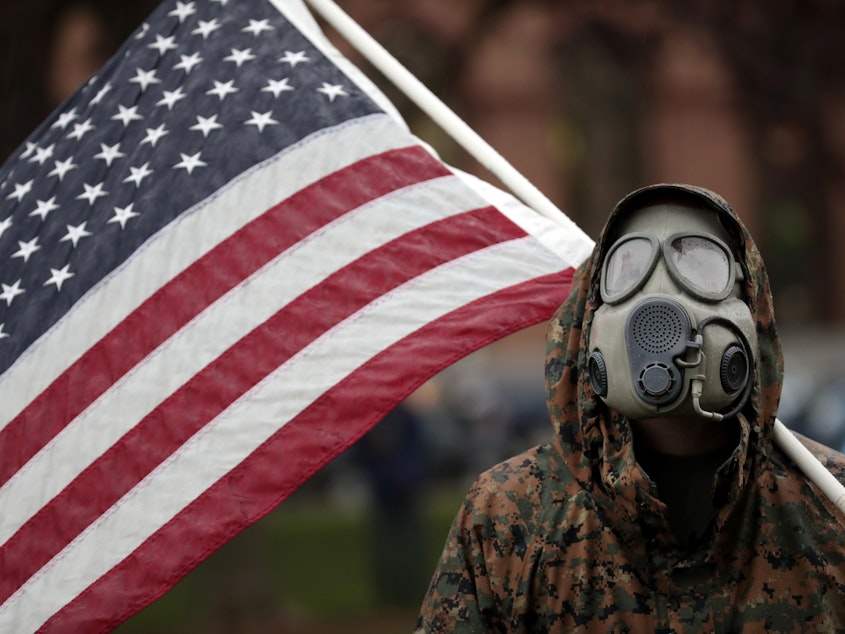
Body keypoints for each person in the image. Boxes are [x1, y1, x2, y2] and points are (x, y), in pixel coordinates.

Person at [415, 184, 845, 632]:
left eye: (701, 265)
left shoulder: (831, 505)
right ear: (589, 321)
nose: (662, 304)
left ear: (750, 308)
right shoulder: (506, 518)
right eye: (629, 270)